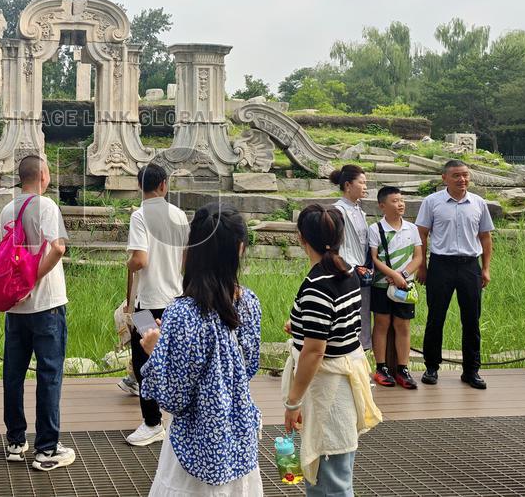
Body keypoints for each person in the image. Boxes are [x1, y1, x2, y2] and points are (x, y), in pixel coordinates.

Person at [139, 204, 264, 496]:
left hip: (194, 447)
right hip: (237, 436)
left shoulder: (182, 313)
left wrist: (157, 350)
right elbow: (247, 368)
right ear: (240, 249)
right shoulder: (249, 302)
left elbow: (173, 398)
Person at [284, 204, 382, 497]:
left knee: (330, 483)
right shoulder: (348, 272)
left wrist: (292, 403)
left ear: (302, 238)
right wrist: (301, 326)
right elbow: (338, 325)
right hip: (345, 381)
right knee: (334, 476)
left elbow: (314, 352)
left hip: (327, 392)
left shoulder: (316, 284)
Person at [0, 155, 75, 471]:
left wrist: (22, 283)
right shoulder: (46, 207)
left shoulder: (7, 209)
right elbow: (57, 247)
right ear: (43, 175)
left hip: (16, 306)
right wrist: (34, 279)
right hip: (46, 305)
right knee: (49, 374)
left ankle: (16, 441)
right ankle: (46, 449)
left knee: (13, 373)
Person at [123, 163, 189, 447]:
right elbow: (186, 259)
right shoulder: (179, 215)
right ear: (164, 185)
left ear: (141, 186)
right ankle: (179, 417)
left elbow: (140, 260)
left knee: (143, 362)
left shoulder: (140, 216)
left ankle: (152, 423)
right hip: (175, 300)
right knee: (175, 359)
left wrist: (128, 265)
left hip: (147, 304)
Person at [416, 160, 494, 390]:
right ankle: (431, 367)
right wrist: (422, 266)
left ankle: (471, 371)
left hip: (470, 265)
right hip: (441, 264)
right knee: (435, 317)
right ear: (445, 178)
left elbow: (486, 238)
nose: (462, 180)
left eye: (465, 175)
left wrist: (486, 268)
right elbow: (421, 234)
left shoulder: (478, 203)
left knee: (471, 319)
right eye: (457, 176)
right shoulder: (432, 202)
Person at [368, 186, 423, 389]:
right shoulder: (375, 229)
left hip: (405, 285)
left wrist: (403, 275)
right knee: (381, 324)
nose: (400, 204)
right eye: (394, 201)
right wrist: (392, 275)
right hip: (381, 285)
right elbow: (374, 258)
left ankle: (402, 368)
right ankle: (381, 367)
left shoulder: (412, 228)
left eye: (401, 200)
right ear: (382, 206)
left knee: (403, 326)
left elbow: (418, 256)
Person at [330, 164, 373, 350]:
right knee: (347, 317)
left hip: (361, 272)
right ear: (348, 185)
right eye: (361, 183)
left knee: (362, 317)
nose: (365, 187)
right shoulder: (337, 211)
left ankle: (360, 363)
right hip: (347, 272)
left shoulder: (359, 211)